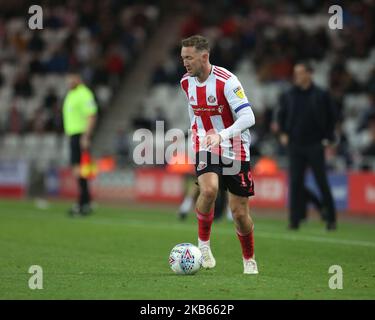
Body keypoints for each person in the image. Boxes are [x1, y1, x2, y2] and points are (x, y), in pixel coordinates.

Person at [180, 35, 258, 274]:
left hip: (234, 147)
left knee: (239, 213)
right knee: (209, 190)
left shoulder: (228, 82)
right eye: (183, 58)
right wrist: (199, 137)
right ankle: (203, 245)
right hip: (205, 144)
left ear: (204, 57)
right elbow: (195, 115)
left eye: (189, 57)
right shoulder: (186, 82)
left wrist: (221, 136)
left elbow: (249, 118)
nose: (185, 62)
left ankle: (249, 258)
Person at [276, 62, 337, 231]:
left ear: (310, 74)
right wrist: (283, 133)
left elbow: (332, 117)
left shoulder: (321, 94)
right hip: (295, 144)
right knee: (295, 183)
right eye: (296, 73)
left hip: (315, 144)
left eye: (301, 73)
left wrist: (328, 138)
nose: (297, 76)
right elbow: (281, 115)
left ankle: (331, 219)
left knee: (321, 181)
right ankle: (295, 220)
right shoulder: (289, 95)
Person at [62, 71, 98, 216]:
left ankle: (83, 202)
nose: (68, 82)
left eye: (70, 79)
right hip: (73, 135)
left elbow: (91, 115)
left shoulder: (84, 94)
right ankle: (85, 202)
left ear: (78, 78)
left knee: (81, 169)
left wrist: (86, 136)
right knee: (79, 169)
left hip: (80, 135)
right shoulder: (72, 94)